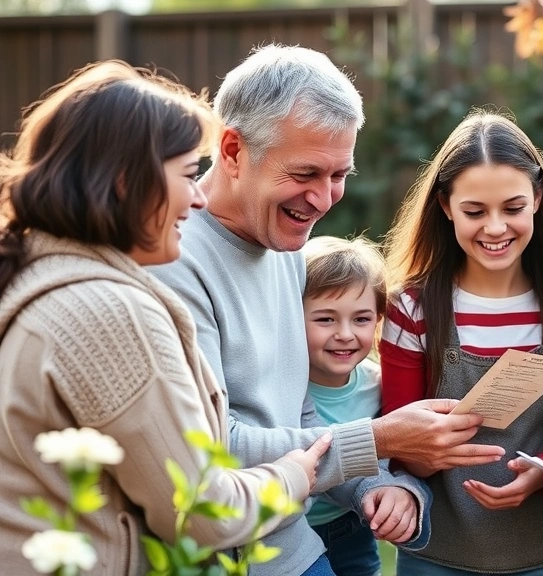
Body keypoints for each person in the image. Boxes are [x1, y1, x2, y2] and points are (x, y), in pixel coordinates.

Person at [150, 45, 504, 576]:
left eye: (340, 174)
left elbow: (300, 411)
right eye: (305, 174)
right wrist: (380, 438)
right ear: (232, 150)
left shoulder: (285, 250)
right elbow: (214, 446)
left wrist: (375, 483)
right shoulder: (174, 261)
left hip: (292, 548)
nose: (324, 198)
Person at [0, 61, 329, 574]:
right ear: (128, 182)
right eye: (186, 176)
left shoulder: (39, 275)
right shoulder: (109, 313)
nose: (197, 197)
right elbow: (200, 510)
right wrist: (292, 476)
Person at [379, 110, 543, 575]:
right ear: (445, 206)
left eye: (512, 208)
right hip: (434, 555)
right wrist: (426, 450)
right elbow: (397, 441)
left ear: (537, 198)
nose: (495, 228)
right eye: (475, 211)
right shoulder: (412, 309)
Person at [301, 236, 432, 576]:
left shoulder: (377, 385)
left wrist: (398, 493)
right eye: (325, 319)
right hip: (292, 529)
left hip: (353, 528)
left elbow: (393, 460)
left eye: (361, 319)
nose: (345, 334)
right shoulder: (284, 387)